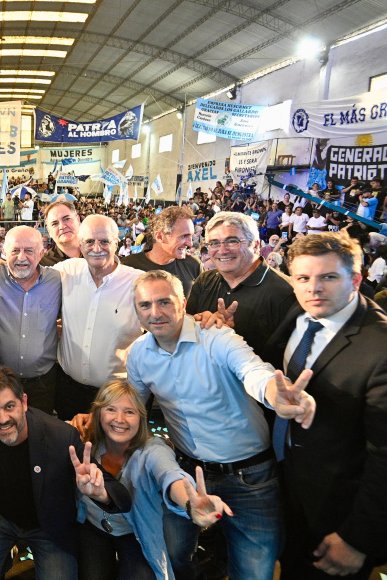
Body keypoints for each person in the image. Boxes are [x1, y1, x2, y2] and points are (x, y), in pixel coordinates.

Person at [125, 270, 317, 580]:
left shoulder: (217, 337)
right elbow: (132, 406)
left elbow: (253, 370)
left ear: (183, 302)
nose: (155, 313)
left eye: (164, 302)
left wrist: (274, 393)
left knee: (254, 572)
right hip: (188, 472)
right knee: (173, 555)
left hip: (250, 478)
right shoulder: (138, 354)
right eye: (145, 305)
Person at [268, 232, 387, 579]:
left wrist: (358, 539)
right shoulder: (301, 312)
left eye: (328, 277)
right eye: (303, 278)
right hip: (288, 488)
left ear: (356, 279)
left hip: (338, 514)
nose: (313, 288)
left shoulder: (379, 346)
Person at [0, 367, 132, 580]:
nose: (2, 419)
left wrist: (100, 493)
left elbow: (122, 498)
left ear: (24, 401)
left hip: (48, 526)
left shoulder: (61, 437)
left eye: (9, 406)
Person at [76, 380, 230, 580]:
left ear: (141, 417)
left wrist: (191, 504)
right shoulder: (86, 442)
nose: (119, 419)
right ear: (98, 413)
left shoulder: (152, 450)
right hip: (92, 528)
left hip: (135, 533)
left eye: (129, 412)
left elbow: (169, 474)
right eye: (111, 409)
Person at [53, 215, 144, 420]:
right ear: (80, 243)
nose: (97, 247)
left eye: (104, 241)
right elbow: (29, 275)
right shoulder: (66, 270)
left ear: (116, 243)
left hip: (116, 395)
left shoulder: (139, 282)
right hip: (68, 390)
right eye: (89, 241)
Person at [186, 212, 296, 363]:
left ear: (256, 245)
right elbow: (186, 334)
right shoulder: (205, 280)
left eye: (232, 241)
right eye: (214, 243)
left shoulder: (286, 292)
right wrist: (199, 323)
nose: (222, 250)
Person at [0, 225, 62, 413]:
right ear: (3, 251)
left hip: (43, 383)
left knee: (41, 435)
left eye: (29, 251)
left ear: (41, 252)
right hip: (0, 381)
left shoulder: (58, 280)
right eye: (15, 251)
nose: (21, 258)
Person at [123, 205, 202, 296]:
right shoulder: (128, 267)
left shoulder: (193, 265)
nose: (190, 244)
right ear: (160, 237)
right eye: (184, 236)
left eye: (191, 236)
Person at [41, 201, 82, 266]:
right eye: (54, 223)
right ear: (49, 230)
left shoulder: (97, 253)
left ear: (78, 220)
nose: (62, 227)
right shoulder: (42, 265)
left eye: (67, 219)